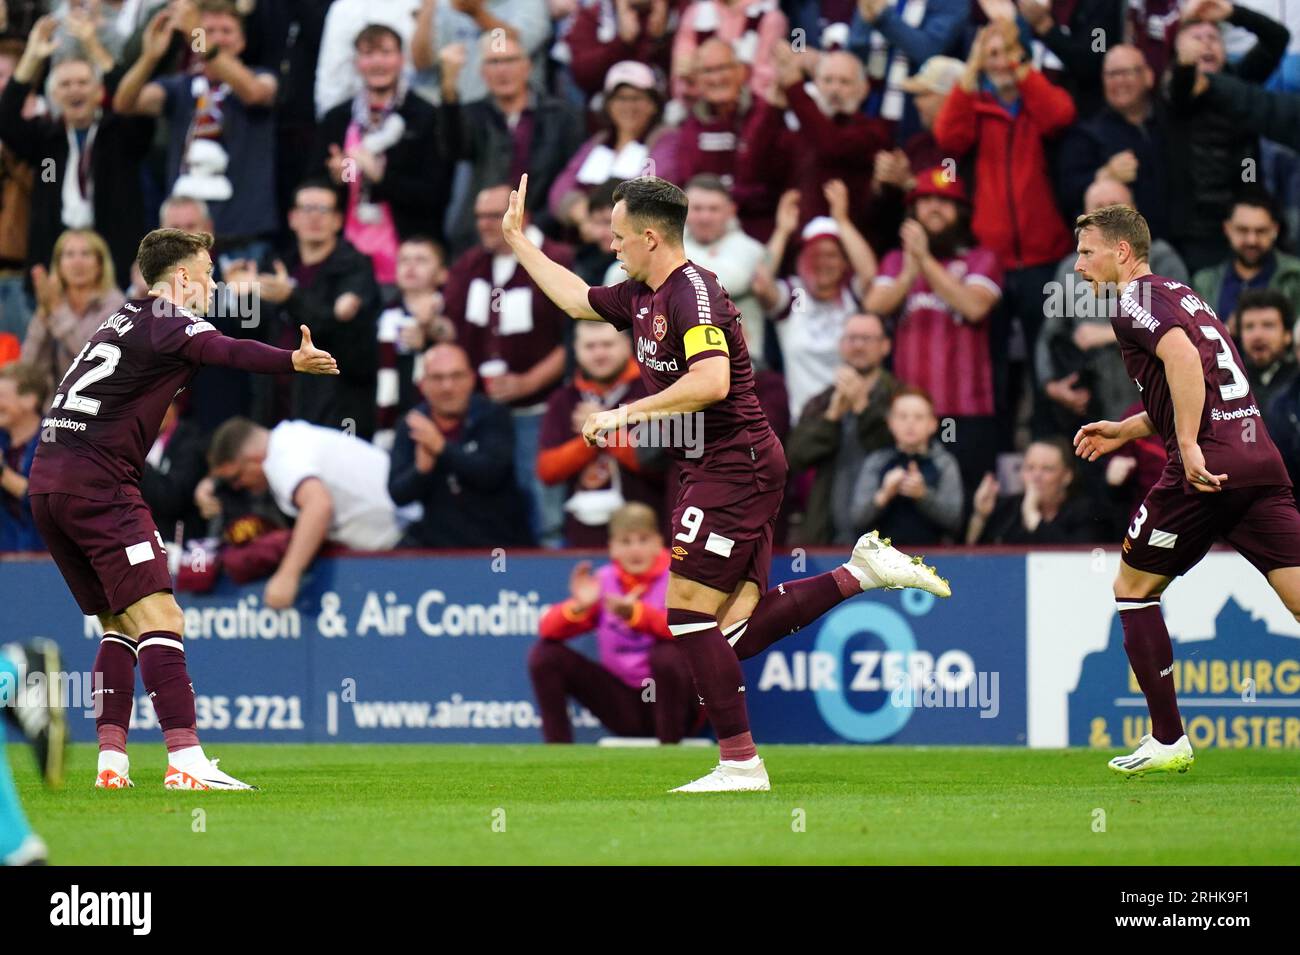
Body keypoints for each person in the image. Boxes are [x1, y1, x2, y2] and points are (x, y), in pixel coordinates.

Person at [502, 172, 949, 792]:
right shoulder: (641, 293)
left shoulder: (693, 294)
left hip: (735, 465)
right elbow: (578, 299)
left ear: (651, 238)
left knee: (684, 613)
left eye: (620, 236)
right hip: (712, 467)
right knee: (727, 632)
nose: (613, 246)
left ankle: (741, 762)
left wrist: (625, 412)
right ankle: (860, 573)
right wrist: (519, 242)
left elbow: (711, 381)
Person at [27, 227, 339, 792]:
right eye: (210, 272)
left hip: (48, 483)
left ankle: (112, 762)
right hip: (100, 485)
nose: (215, 283)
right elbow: (227, 350)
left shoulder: (121, 317)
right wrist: (292, 360)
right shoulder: (173, 320)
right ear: (185, 278)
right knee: (164, 618)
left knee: (120, 625)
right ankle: (186, 760)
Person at [1072, 203, 1300, 777]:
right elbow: (1201, 376)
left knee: (1132, 588)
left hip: (1207, 469)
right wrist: (1127, 429)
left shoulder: (1132, 302)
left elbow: (1180, 360)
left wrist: (1192, 447)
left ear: (1121, 252)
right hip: (1259, 461)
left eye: (1086, 252)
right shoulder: (1184, 294)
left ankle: (1168, 737)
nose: (1078, 267)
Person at [443, 183, 569, 544]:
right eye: (479, 216)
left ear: (521, 216)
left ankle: (552, 581)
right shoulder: (470, 264)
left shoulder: (556, 259)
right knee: (495, 502)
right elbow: (452, 325)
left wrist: (529, 382)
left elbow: (574, 340)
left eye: (492, 216)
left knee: (542, 503)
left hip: (540, 409)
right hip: (483, 412)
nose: (483, 225)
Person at [865, 168, 1001, 498]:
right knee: (907, 506)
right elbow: (875, 305)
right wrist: (910, 271)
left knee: (964, 503)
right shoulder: (897, 261)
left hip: (966, 411)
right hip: (908, 414)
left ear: (961, 213)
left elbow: (973, 307)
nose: (934, 208)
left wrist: (923, 260)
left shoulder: (981, 259)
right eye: (925, 201)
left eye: (945, 201)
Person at [112, 2, 279, 261]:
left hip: (242, 238)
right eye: (208, 30)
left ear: (242, 41)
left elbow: (254, 92)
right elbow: (125, 103)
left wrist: (198, 35)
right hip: (184, 242)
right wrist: (150, 57)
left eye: (226, 30)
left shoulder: (263, 77)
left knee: (243, 304)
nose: (217, 37)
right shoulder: (180, 86)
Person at [529, 501, 700, 743]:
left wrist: (637, 616)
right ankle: (559, 753)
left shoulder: (679, 575)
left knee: (666, 654)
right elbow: (547, 630)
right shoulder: (603, 581)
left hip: (681, 706)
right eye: (625, 542)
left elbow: (689, 632)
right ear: (612, 548)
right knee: (544, 655)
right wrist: (579, 607)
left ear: (657, 543)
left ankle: (670, 748)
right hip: (625, 705)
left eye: (643, 540)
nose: (635, 550)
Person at [223, 180, 382, 438]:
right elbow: (252, 332)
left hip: (333, 411)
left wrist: (290, 297)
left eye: (323, 210)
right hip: (275, 407)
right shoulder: (276, 265)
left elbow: (339, 333)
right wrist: (240, 297)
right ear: (292, 218)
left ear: (338, 220)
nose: (314, 218)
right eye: (307, 209)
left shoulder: (355, 268)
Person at [0, 18, 152, 288]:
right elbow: (6, 118)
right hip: (55, 267)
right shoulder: (46, 140)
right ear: (55, 95)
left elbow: (133, 104)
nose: (74, 90)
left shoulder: (121, 134)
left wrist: (95, 49)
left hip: (114, 265)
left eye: (82, 82)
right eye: (65, 84)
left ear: (99, 92)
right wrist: (32, 57)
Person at [1036, 178, 1186, 432]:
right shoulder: (1069, 268)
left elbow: (1182, 325)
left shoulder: (1161, 259)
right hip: (1091, 406)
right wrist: (1052, 385)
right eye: (1098, 208)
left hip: (1151, 405)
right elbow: (1049, 336)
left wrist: (1107, 335)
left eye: (1115, 207)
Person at [208, 415, 405, 605]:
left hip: (405, 540)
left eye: (235, 477)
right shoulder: (293, 437)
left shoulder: (281, 460)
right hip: (402, 528)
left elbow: (318, 506)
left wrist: (288, 576)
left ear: (253, 458)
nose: (237, 487)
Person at [1163, 0, 1290, 273]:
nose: (1206, 44)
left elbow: (1278, 38)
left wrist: (1232, 12)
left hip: (1247, 222)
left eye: (1213, 38)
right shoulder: (1172, 89)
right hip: (1198, 233)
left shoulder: (1238, 80)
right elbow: (1181, 89)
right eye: (1197, 38)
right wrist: (1185, 63)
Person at [315, 23, 452, 273]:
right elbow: (316, 182)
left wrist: (380, 177)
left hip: (408, 256)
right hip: (347, 256)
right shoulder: (337, 118)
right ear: (356, 62)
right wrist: (336, 177)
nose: (378, 62)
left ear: (401, 59)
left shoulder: (426, 116)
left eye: (386, 53)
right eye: (368, 54)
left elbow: (435, 193)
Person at [387, 343, 533, 548]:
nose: (447, 387)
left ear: (472, 379)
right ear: (422, 384)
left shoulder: (493, 415)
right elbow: (398, 495)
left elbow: (492, 474)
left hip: (496, 543)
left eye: (456, 376)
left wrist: (441, 448)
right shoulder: (413, 424)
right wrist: (420, 471)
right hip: (437, 546)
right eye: (437, 378)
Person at [758, 182, 878, 421]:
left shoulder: (851, 295)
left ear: (845, 262)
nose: (824, 263)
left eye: (832, 255)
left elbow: (869, 273)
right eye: (815, 255)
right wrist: (782, 230)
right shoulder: (793, 295)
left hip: (853, 421)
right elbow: (761, 283)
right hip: (806, 423)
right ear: (801, 260)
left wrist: (842, 220)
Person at [538, 319, 658, 547]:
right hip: (583, 536)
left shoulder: (651, 390)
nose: (599, 354)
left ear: (627, 344)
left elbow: (655, 463)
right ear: (576, 349)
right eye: (590, 346)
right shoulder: (563, 399)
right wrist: (590, 441)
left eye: (607, 344)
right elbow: (547, 470)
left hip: (647, 533)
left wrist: (602, 429)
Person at [785, 312, 898, 546]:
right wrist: (831, 417)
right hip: (828, 536)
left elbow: (897, 456)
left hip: (886, 537)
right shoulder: (822, 401)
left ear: (885, 346)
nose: (858, 345)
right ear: (841, 345)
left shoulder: (899, 397)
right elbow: (794, 457)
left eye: (867, 339)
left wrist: (864, 409)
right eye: (851, 338)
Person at [1055, 43, 1170, 239]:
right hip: (1119, 250)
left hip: (1175, 244)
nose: (1119, 81)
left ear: (1149, 77)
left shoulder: (1170, 121)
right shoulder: (1086, 134)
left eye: (1126, 72)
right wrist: (1104, 175)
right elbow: (1065, 194)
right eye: (1111, 74)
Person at [549, 61, 680, 228]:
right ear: (608, 104)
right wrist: (583, 217)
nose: (628, 106)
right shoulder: (599, 141)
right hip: (589, 238)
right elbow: (561, 187)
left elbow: (654, 188)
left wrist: (605, 220)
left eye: (637, 98)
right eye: (620, 98)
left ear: (653, 104)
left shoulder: (665, 139)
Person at [849, 388, 964, 546]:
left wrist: (923, 495)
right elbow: (857, 520)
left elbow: (955, 520)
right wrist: (884, 495)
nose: (910, 423)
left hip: (934, 557)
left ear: (932, 424)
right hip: (883, 558)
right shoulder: (876, 462)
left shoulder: (944, 463)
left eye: (919, 417)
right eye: (902, 416)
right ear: (890, 423)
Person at [21, 229, 127, 386]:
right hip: (54, 404)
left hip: (98, 400)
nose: (78, 262)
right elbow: (29, 366)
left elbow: (94, 361)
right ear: (59, 266)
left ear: (99, 264)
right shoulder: (54, 300)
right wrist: (44, 312)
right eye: (70, 254)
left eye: (86, 254)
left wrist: (57, 311)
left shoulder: (116, 304)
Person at [374, 236, 452, 450]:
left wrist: (428, 338)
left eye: (421, 260)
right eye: (404, 260)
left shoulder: (453, 310)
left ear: (442, 273)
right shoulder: (383, 315)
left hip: (439, 420)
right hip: (392, 420)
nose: (411, 266)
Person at [681, 174, 767, 365]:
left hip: (742, 366)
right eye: (697, 208)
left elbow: (728, 280)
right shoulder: (673, 243)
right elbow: (617, 274)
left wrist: (667, 259)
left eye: (713, 209)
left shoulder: (751, 249)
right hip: (683, 363)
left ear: (730, 211)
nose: (705, 217)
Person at [1190, 192, 1300, 323]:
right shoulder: (1204, 283)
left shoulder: (1294, 276)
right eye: (1243, 230)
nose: (1251, 240)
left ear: (1275, 230)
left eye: (1261, 231)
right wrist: (1228, 331)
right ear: (1227, 229)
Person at [966, 438, 1101, 544]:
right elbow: (973, 560)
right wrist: (980, 517)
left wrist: (1032, 516)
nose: (1036, 476)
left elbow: (1077, 559)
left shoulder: (1084, 512)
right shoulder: (1008, 508)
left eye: (1047, 469)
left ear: (1067, 476)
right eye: (1030, 468)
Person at [0, 360, 46, 552]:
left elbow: (54, 504)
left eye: (1, 396)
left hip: (48, 562)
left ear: (30, 399)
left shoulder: (57, 441)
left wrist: (4, 475)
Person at [1234, 287, 1298, 411]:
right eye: (1249, 327)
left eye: (1268, 325)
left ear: (1288, 335)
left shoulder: (1296, 383)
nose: (1257, 335)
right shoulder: (1228, 382)